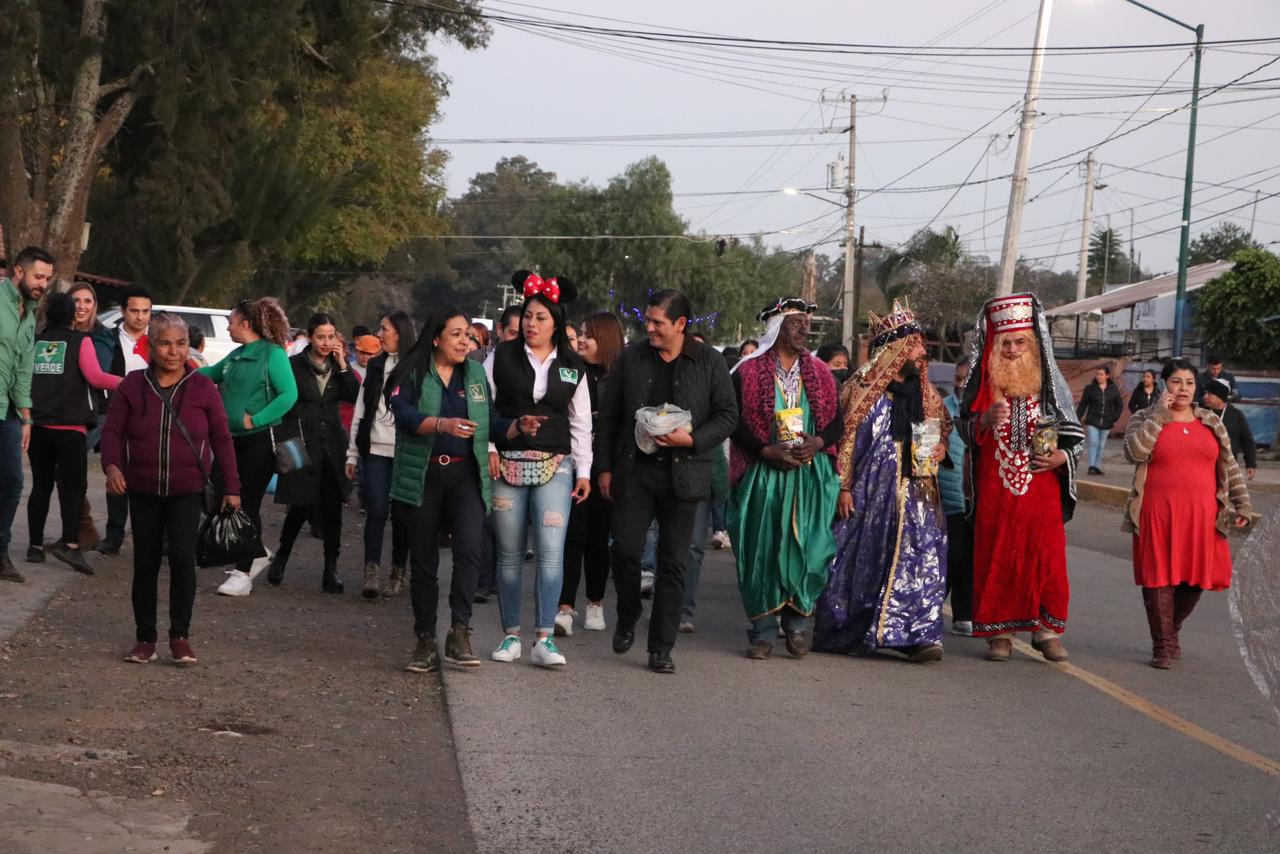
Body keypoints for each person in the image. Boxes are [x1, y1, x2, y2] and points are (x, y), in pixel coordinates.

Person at [596, 289, 738, 674]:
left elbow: (728, 416)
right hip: (634, 471)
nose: (650, 328)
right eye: (648, 320)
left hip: (686, 474)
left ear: (680, 324)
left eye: (658, 322)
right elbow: (608, 416)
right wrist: (604, 468)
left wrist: (691, 439)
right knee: (624, 550)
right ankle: (628, 613)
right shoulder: (631, 357)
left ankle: (661, 647)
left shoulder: (709, 362)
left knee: (673, 563)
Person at [813, 301, 950, 663]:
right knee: (862, 557)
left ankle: (918, 636)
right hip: (868, 493)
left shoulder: (927, 394)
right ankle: (856, 628)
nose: (922, 352)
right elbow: (842, 442)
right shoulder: (861, 390)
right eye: (916, 345)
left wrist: (939, 447)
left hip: (918, 493)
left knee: (921, 558)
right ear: (895, 349)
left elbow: (943, 431)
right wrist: (843, 486)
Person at [102, 313, 241, 665]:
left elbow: (222, 439)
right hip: (143, 490)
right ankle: (144, 638)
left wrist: (233, 487)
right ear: (151, 345)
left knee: (182, 560)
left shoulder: (203, 388)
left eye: (180, 343)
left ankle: (180, 637)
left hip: (187, 491)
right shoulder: (132, 386)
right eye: (165, 343)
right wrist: (113, 466)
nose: (174, 351)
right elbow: (112, 432)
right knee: (144, 564)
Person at [957, 293, 1085, 662]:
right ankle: (999, 634)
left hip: (1040, 490)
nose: (1012, 350)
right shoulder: (981, 386)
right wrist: (982, 420)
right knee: (996, 554)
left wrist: (1062, 455)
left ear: (1033, 342)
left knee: (1046, 557)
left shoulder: (1050, 387)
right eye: (1006, 343)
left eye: (1020, 342)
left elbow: (1074, 435)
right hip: (995, 491)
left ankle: (1047, 631)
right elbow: (962, 428)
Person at [387, 307, 502, 672]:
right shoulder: (413, 372)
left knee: (470, 550)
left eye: (468, 334)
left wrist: (515, 429)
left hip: (466, 476)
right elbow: (403, 415)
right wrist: (441, 424)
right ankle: (424, 639)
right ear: (436, 338)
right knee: (424, 562)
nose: (465, 341)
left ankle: (459, 630)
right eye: (456, 334)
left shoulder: (477, 374)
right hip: (424, 476)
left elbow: (490, 421)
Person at [1123, 359, 1258, 668]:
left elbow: (1229, 466)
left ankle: (1171, 630)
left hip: (1203, 515)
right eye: (1175, 381)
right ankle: (1162, 645)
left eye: (1188, 383)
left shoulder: (1211, 421)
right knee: (1158, 576)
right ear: (1163, 385)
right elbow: (1135, 452)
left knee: (1196, 579)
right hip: (1157, 511)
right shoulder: (1145, 417)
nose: (1182, 388)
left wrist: (1243, 504)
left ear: (1196, 388)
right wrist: (1159, 415)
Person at [486, 271, 592, 668]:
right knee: (510, 554)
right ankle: (510, 634)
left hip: (557, 466)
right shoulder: (500, 357)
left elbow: (581, 423)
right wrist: (494, 445)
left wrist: (584, 471)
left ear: (556, 323)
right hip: (507, 464)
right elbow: (484, 408)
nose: (531, 323)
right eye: (528, 315)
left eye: (541, 317)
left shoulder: (572, 366)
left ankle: (545, 637)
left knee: (551, 553)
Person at [729, 298, 841, 660]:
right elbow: (732, 420)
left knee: (808, 550)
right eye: (797, 324)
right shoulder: (747, 372)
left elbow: (837, 421)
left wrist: (819, 442)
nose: (805, 330)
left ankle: (795, 624)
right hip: (764, 475)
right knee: (764, 550)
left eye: (807, 324)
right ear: (778, 328)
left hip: (809, 476)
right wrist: (765, 450)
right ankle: (762, 631)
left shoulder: (821, 372)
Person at [199, 297, 298, 597]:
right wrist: (178, 369)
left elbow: (288, 394)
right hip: (230, 440)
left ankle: (242, 573)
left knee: (247, 503)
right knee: (217, 495)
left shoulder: (272, 355)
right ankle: (255, 552)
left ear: (246, 323)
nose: (227, 326)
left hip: (258, 441)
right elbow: (210, 374)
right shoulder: (237, 354)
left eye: (231, 320)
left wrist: (257, 419)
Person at [26, 292, 122, 573]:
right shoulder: (82, 341)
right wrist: (128, 382)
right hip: (70, 427)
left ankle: (34, 546)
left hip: (38, 425)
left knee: (41, 485)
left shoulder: (36, 342)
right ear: (71, 317)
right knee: (73, 488)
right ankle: (70, 545)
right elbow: (95, 377)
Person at [263, 314, 358, 592]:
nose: (327, 343)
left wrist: (343, 365)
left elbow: (353, 395)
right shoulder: (293, 365)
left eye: (331, 337)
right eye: (321, 337)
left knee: (332, 508)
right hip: (301, 441)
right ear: (309, 337)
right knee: (301, 504)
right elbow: (281, 403)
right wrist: (283, 442)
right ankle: (282, 556)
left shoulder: (340, 368)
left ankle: (331, 569)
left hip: (333, 446)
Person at [556, 311, 624, 635]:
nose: (581, 339)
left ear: (607, 340)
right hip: (571, 464)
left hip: (606, 467)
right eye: (580, 333)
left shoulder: (621, 377)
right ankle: (564, 607)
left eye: (589, 334)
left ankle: (595, 602)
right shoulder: (570, 371)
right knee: (572, 536)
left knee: (599, 538)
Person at [345, 311, 415, 597]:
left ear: (399, 332)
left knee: (402, 515)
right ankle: (371, 570)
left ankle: (399, 570)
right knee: (375, 510)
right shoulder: (375, 366)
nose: (380, 333)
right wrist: (352, 453)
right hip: (373, 449)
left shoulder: (417, 368)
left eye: (384, 329)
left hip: (405, 451)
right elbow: (361, 410)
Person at [0, 246, 53, 583]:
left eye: (47, 278)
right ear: (18, 272)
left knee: (13, 482)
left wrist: (27, 418)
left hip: (7, 411)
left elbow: (24, 369)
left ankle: (0, 552)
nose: (42, 284)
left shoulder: (29, 313)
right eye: (38, 276)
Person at [98, 285, 152, 555]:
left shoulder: (158, 341)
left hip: (152, 418)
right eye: (134, 311)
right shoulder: (109, 338)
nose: (140, 317)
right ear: (123, 311)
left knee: (149, 478)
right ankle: (114, 535)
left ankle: (155, 538)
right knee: (115, 473)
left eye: (145, 311)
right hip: (118, 415)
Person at [941, 359, 974, 635]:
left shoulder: (987, 410)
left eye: (966, 379)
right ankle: (933, 605)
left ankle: (964, 613)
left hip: (976, 497)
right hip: (949, 495)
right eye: (958, 378)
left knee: (970, 558)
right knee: (951, 554)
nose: (960, 384)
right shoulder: (943, 409)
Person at [1201, 377, 1257, 480]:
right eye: (1205, 393)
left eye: (1210, 393)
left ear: (1220, 396)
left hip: (1228, 467)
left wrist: (1250, 464)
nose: (1205, 397)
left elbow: (1247, 441)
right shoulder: (1200, 413)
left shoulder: (1236, 415)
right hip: (1203, 466)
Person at [1077, 364, 1123, 475]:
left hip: (1107, 421)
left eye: (1101, 374)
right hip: (1093, 420)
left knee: (1101, 444)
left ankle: (1097, 466)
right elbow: (1083, 405)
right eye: (1097, 374)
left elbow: (1119, 405)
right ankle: (1091, 466)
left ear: (1107, 376)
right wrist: (1077, 418)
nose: (1099, 376)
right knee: (1094, 442)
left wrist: (1114, 417)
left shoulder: (1113, 389)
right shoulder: (1090, 389)